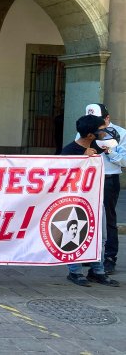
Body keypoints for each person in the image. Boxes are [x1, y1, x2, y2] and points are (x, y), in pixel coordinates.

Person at [60, 114, 119, 287]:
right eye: (101, 130)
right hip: (74, 202)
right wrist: (81, 159)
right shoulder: (69, 151)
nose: (104, 132)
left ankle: (97, 271)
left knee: (100, 236)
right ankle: (75, 272)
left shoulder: (97, 146)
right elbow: (62, 176)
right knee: (74, 235)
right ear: (90, 135)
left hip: (95, 199)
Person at [82, 104, 126, 274]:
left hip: (109, 178)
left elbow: (124, 160)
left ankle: (109, 258)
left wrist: (109, 151)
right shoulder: (85, 130)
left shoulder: (121, 133)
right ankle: (91, 256)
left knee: (108, 219)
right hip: (88, 179)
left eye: (97, 120)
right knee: (87, 216)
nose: (92, 123)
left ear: (107, 118)